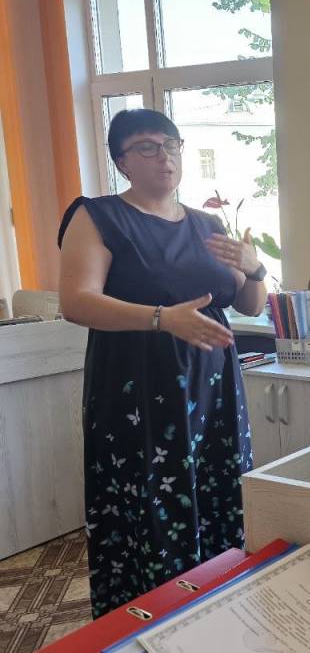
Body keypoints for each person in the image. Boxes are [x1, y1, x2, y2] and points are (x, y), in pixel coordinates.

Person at [58, 109, 269, 617]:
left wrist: (256, 268)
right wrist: (161, 319)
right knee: (152, 507)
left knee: (219, 494)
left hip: (214, 396)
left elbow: (249, 304)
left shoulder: (206, 224)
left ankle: (217, 612)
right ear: (122, 161)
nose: (164, 157)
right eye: (147, 147)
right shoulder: (98, 216)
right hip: (139, 395)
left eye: (171, 145)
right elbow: (76, 301)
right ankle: (151, 623)